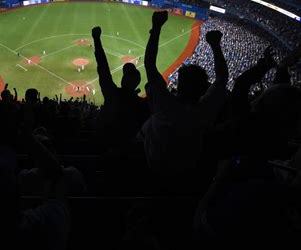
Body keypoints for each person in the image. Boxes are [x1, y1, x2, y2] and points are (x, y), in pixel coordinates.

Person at [140, 10, 229, 190]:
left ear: (179, 86)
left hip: (152, 169)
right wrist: (215, 45)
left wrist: (156, 28)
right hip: (190, 175)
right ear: (203, 88)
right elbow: (221, 79)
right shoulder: (203, 112)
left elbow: (149, 64)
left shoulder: (165, 106)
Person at [91, 26, 149, 148]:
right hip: (129, 152)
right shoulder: (141, 104)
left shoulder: (112, 94)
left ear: (123, 79)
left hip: (105, 147)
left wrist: (96, 39)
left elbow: (103, 68)